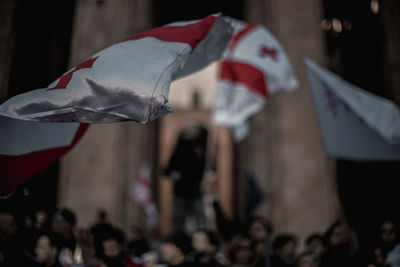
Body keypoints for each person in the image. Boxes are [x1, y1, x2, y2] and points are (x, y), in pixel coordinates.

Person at [164, 123, 208, 235]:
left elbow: (201, 170)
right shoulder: (178, 152)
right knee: (178, 220)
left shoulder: (200, 150)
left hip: (195, 191)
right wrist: (173, 174)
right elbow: (166, 170)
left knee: (200, 220)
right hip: (181, 192)